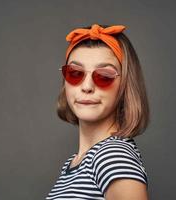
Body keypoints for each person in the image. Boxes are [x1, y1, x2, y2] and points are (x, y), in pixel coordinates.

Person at [46, 23, 150, 200]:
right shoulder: (76, 162)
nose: (87, 86)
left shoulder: (113, 156)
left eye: (104, 76)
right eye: (75, 73)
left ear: (124, 85)